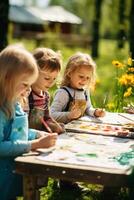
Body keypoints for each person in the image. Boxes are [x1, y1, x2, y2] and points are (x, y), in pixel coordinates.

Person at [0, 45, 57, 200]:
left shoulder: (15, 103)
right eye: (25, 85)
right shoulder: (2, 109)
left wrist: (36, 134)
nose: (29, 90)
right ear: (7, 78)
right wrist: (34, 144)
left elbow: (16, 131)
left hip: (12, 171)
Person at [50, 52, 105, 124]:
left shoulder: (85, 91)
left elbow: (87, 109)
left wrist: (95, 112)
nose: (84, 80)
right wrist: (69, 115)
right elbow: (52, 115)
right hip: (64, 130)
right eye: (81, 76)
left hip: (78, 129)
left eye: (88, 77)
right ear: (69, 73)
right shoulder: (63, 93)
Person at [28, 47, 64, 134]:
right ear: (33, 73)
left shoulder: (46, 95)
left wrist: (54, 124)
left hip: (40, 130)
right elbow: (25, 122)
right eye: (47, 78)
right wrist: (47, 127)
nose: (51, 82)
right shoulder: (26, 94)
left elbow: (46, 117)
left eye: (54, 78)